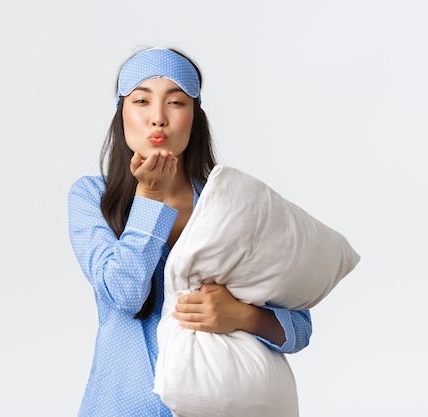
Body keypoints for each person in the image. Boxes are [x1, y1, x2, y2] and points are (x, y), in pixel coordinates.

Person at [68, 47, 312, 416]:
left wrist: (244, 316)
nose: (158, 119)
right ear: (122, 114)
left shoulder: (230, 202)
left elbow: (299, 329)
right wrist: (149, 196)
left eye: (176, 102)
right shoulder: (91, 197)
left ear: (194, 118)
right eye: (141, 101)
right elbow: (126, 293)